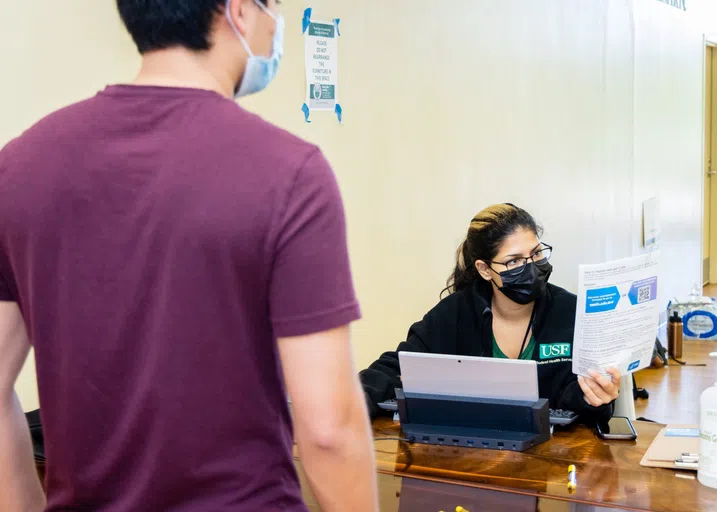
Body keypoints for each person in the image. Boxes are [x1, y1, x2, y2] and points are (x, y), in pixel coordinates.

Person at [0, 1, 378, 511]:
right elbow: (329, 429)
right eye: (275, 9)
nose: (275, 28)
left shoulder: (20, 167)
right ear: (240, 11)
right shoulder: (289, 174)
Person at [360, 203, 620, 422]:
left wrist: (594, 398)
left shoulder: (572, 313)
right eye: (514, 261)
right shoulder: (455, 314)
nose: (531, 267)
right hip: (472, 457)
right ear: (485, 270)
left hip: (553, 462)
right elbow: (400, 365)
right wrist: (350, 401)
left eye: (537, 253)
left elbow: (581, 403)